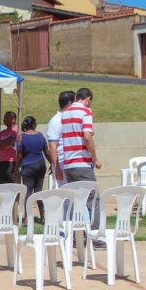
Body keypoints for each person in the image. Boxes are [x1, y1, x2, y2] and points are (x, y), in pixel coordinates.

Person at [61, 87, 102, 229]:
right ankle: (95, 235)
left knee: (76, 200)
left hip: (68, 164)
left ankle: (77, 235)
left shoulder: (65, 114)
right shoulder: (86, 112)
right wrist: (95, 158)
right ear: (88, 98)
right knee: (93, 198)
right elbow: (87, 136)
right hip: (82, 162)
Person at [14, 116, 49, 221]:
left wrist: (15, 170)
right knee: (38, 191)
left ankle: (28, 218)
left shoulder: (21, 137)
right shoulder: (40, 136)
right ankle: (43, 216)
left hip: (28, 167)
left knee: (28, 192)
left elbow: (19, 155)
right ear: (34, 125)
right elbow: (46, 151)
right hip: (41, 165)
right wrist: (52, 163)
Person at [46, 91, 75, 188]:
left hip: (71, 163)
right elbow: (52, 146)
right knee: (66, 194)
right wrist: (56, 167)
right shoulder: (56, 121)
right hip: (62, 164)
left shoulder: (70, 118)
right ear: (70, 103)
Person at [0, 111, 18, 184]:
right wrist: (5, 144)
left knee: (10, 182)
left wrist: (1, 144)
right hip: (1, 162)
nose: (4, 119)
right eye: (4, 117)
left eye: (7, 117)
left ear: (13, 120)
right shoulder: (2, 132)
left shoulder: (17, 131)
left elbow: (10, 142)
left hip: (12, 162)